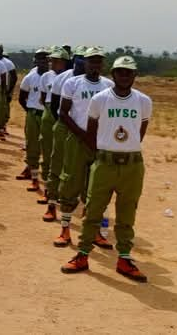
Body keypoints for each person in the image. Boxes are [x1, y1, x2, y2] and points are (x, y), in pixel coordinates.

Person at [61, 56, 151, 282]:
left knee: (126, 213)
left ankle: (124, 257)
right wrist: (106, 150)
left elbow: (140, 132)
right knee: (93, 210)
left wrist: (124, 149)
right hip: (105, 163)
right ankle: (82, 254)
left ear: (134, 75)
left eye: (128, 72)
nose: (124, 76)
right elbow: (91, 131)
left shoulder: (143, 101)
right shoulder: (100, 99)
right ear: (113, 74)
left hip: (132, 165)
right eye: (120, 72)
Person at [54, 47, 113, 248]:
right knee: (70, 181)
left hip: (101, 143)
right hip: (77, 140)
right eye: (91, 61)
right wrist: (83, 135)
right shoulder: (72, 83)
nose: (95, 65)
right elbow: (63, 113)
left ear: (102, 64)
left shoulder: (109, 85)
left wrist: (99, 138)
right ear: (84, 63)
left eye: (98, 61)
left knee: (97, 187)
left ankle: (94, 231)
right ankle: (65, 229)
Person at [41, 47, 72, 221]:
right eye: (52, 60)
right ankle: (51, 195)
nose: (52, 63)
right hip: (59, 119)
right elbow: (52, 103)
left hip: (75, 124)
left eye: (56, 60)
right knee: (54, 157)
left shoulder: (72, 77)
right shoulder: (53, 77)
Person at [17, 48, 50, 193]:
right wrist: (31, 111)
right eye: (39, 59)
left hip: (48, 115)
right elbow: (21, 97)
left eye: (45, 58)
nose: (42, 61)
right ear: (35, 61)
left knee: (48, 148)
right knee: (32, 145)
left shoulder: (53, 77)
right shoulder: (30, 77)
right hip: (33, 114)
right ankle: (34, 179)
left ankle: (48, 180)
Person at [0, 45, 18, 139]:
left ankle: (3, 127)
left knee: (4, 108)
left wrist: (9, 91)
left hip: (4, 89)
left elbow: (14, 77)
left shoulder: (8, 63)